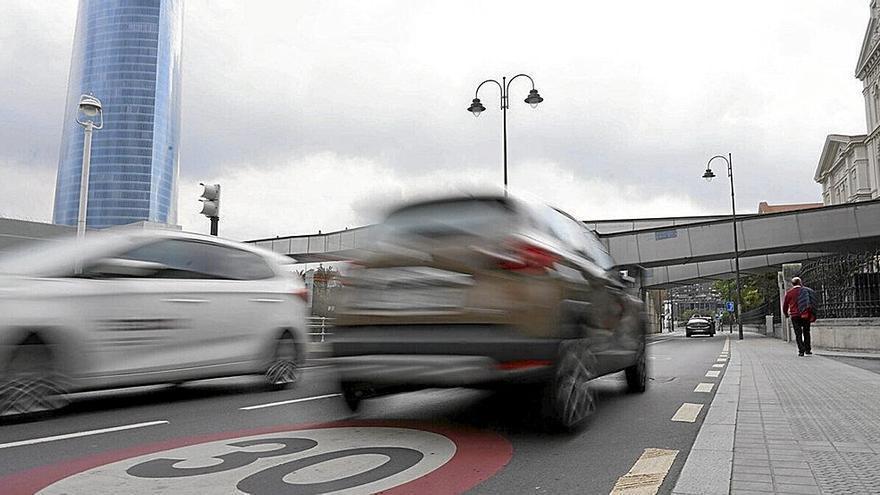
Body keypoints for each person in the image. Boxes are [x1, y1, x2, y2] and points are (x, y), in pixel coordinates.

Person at [782, 277, 818, 357]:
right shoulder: (806, 291)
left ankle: (801, 351)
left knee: (798, 333)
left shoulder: (789, 293)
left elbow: (785, 306)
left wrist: (786, 314)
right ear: (800, 282)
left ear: (792, 284)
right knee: (806, 332)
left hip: (795, 316)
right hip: (805, 314)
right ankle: (808, 350)